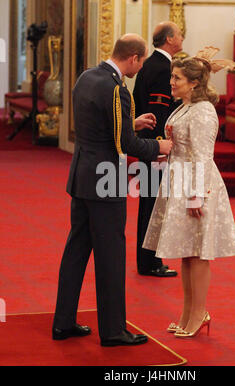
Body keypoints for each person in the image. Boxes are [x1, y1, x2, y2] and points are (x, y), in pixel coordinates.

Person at [52, 34, 173, 347]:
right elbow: (125, 145)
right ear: (133, 58)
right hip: (106, 181)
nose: (141, 66)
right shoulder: (117, 88)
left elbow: (97, 125)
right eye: (141, 60)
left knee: (76, 251)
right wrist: (159, 145)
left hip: (82, 176)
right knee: (110, 257)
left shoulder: (87, 77)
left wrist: (131, 123)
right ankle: (113, 330)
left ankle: (63, 322)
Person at [142, 56, 235, 338]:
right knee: (187, 253)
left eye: (177, 78)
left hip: (197, 185)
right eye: (172, 77)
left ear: (194, 83)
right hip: (178, 180)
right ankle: (188, 313)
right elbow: (181, 146)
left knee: (198, 253)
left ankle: (199, 313)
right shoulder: (184, 107)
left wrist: (196, 196)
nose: (171, 82)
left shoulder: (203, 111)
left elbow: (201, 155)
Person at [133, 21, 184, 277]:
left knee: (149, 205)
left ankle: (147, 260)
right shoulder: (163, 68)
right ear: (170, 39)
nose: (182, 37)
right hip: (155, 146)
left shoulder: (150, 65)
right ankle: (150, 262)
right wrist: (160, 147)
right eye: (180, 34)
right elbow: (158, 113)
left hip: (147, 144)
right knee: (153, 207)